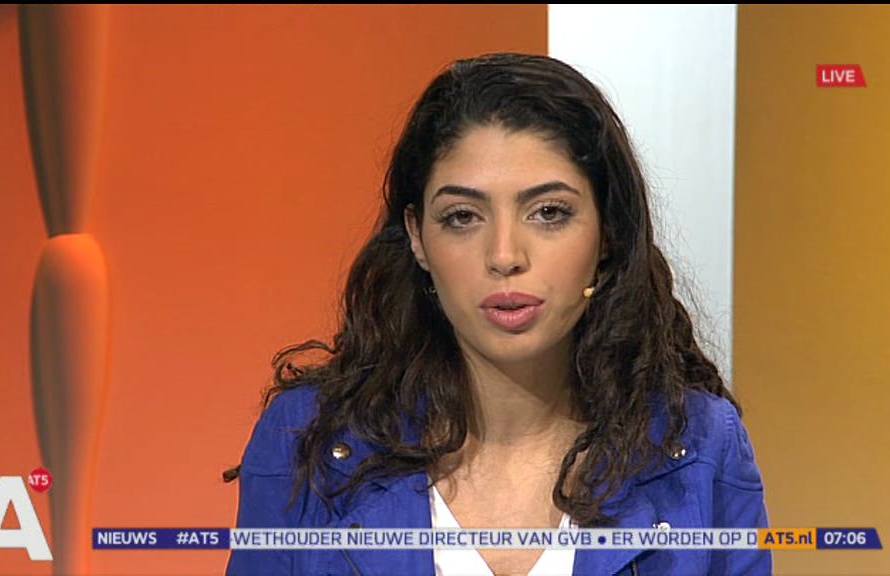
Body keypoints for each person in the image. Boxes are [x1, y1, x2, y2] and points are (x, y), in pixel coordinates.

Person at [224, 52, 771, 576]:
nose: (505, 255)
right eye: (463, 216)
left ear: (608, 232)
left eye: (549, 212)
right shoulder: (307, 441)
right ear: (417, 237)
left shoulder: (701, 445)